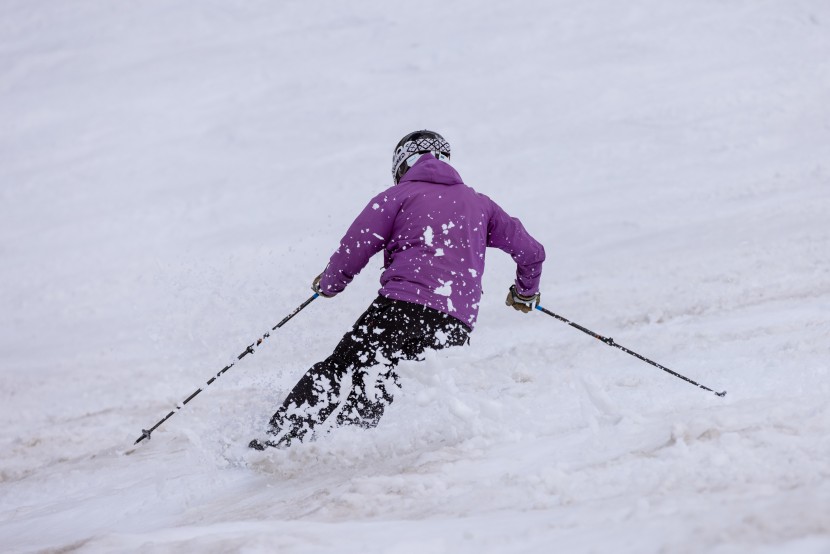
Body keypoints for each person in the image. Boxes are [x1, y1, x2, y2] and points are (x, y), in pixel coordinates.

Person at [249, 130, 545, 450]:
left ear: (401, 167)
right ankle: (344, 448)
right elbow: (532, 252)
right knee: (382, 380)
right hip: (454, 324)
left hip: (400, 308)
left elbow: (357, 244)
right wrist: (525, 293)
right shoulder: (481, 205)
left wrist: (332, 282)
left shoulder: (397, 197)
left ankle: (277, 443)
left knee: (340, 368)